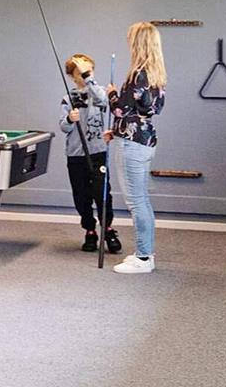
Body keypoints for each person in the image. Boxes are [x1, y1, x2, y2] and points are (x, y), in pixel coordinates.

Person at [107, 22, 167, 274]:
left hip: (132, 144)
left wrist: (111, 93)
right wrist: (116, 130)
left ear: (138, 43)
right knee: (142, 200)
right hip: (145, 139)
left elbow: (120, 110)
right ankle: (145, 253)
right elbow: (148, 110)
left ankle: (143, 258)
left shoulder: (137, 74)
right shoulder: (156, 74)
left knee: (136, 201)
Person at [59, 53, 121, 254]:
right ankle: (90, 230)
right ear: (72, 76)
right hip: (76, 154)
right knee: (81, 195)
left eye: (89, 71)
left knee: (102, 192)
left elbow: (104, 100)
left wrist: (89, 78)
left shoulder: (98, 92)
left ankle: (108, 229)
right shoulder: (68, 98)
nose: (86, 75)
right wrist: (70, 119)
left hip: (97, 152)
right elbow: (63, 127)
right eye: (81, 73)